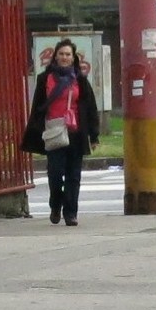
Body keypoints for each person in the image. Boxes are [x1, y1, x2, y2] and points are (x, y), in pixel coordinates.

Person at [20, 39, 100, 225]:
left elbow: (90, 107)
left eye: (68, 54)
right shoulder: (44, 78)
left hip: (76, 132)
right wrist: (35, 130)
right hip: (54, 131)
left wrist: (94, 135)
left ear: (73, 58)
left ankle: (70, 213)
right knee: (55, 173)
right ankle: (56, 205)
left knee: (74, 175)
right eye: (61, 54)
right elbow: (38, 106)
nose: (64, 57)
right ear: (55, 56)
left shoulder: (80, 79)